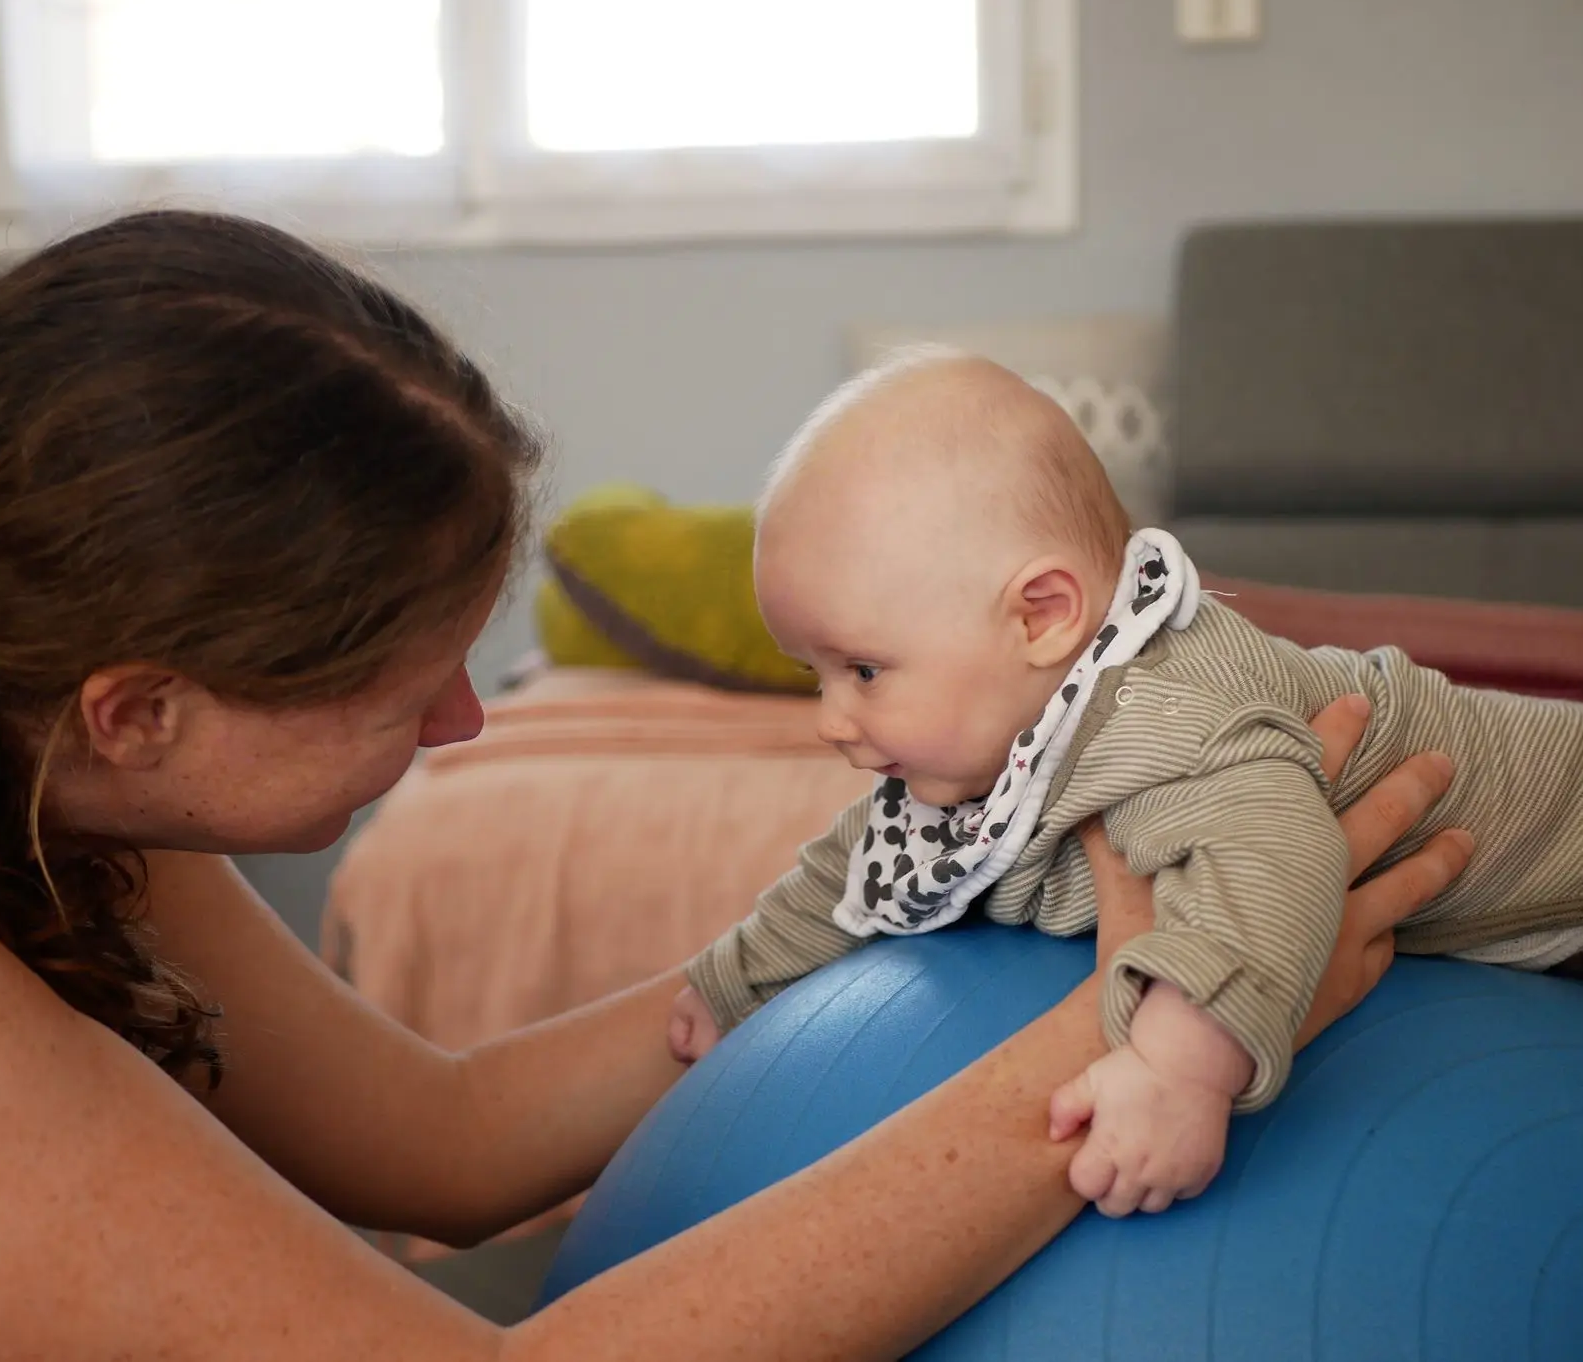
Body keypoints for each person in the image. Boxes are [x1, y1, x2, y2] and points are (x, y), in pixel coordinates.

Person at [0, 211, 1468, 1362]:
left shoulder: (39, 757)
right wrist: (1145, 1018)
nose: (464, 723)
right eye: (400, 687)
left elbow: (438, 1136)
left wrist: (832, 927)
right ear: (140, 705)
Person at [671, 349, 1583, 1223]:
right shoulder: (979, 747)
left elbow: (1274, 853)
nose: (831, 718)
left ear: (1043, 616)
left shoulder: (1159, 711)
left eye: (863, 670)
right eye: (814, 675)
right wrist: (733, 984)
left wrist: (1179, 1066)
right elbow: (857, 870)